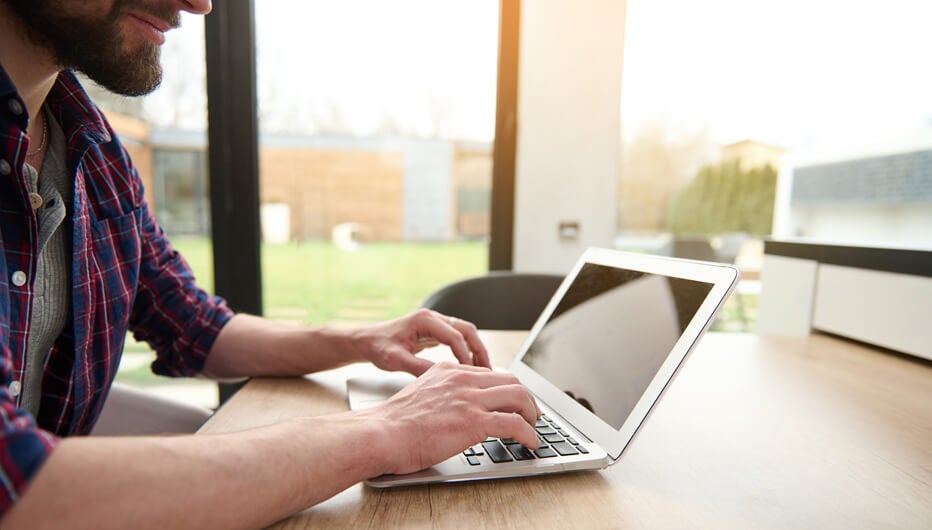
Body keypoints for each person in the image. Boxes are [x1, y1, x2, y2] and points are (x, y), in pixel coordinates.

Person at [0, 1, 540, 527]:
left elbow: (195, 326)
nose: (200, 4)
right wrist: (391, 430)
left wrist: (361, 340)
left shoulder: (94, 149)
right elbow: (17, 483)